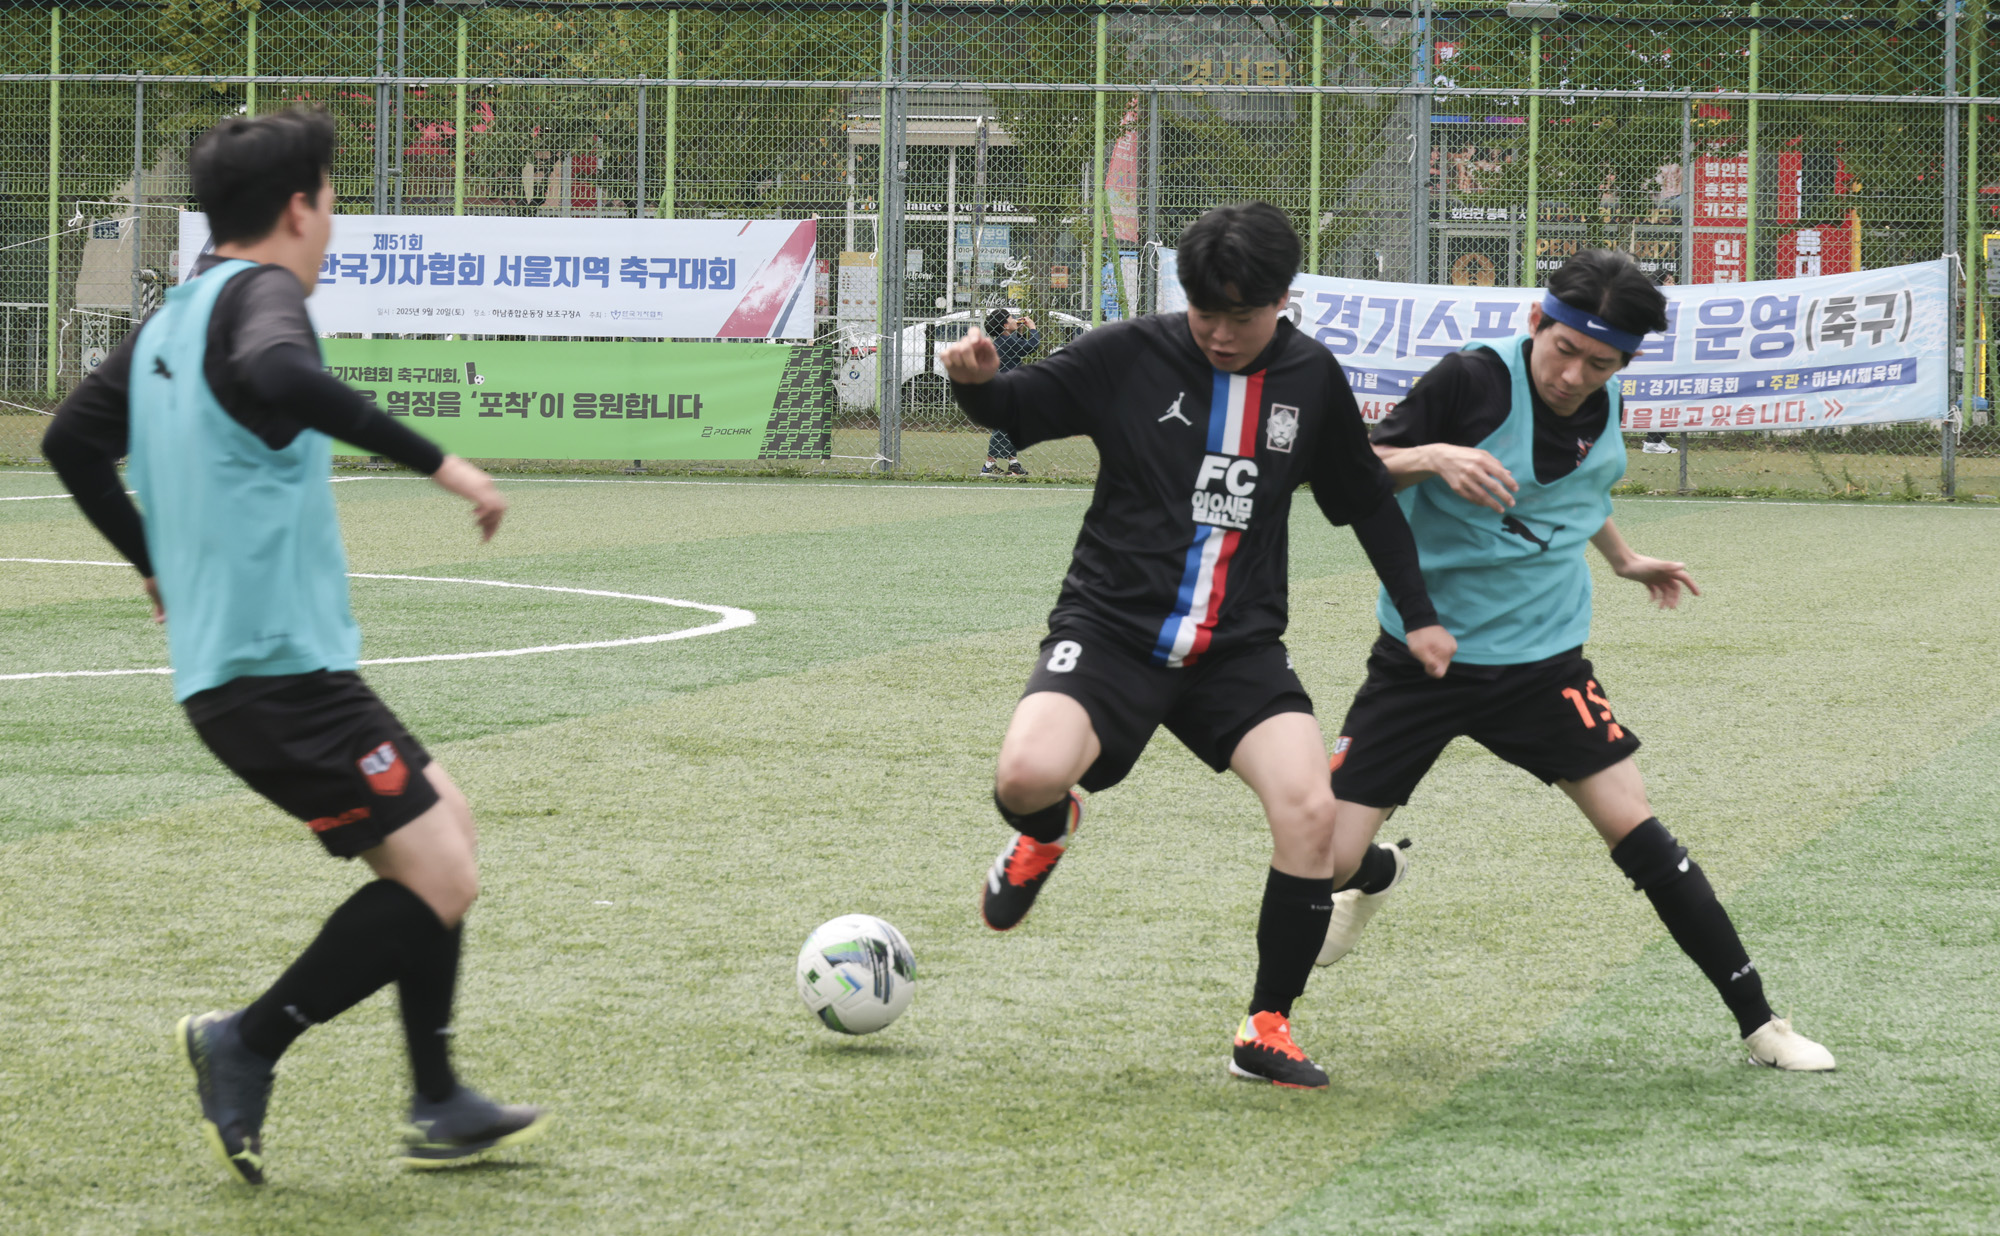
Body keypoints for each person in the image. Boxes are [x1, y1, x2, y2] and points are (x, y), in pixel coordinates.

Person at [40, 109, 548, 1185]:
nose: (333, 226)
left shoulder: (174, 317)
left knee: (443, 828)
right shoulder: (266, 300)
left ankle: (435, 1098)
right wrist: (442, 463)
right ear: (296, 207)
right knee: (442, 872)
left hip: (267, 672)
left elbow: (70, 440)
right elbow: (278, 375)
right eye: (331, 200)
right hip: (274, 679)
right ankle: (248, 1041)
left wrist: (151, 561)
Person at [940, 202, 1457, 1089]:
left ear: (1283, 301)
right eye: (1204, 313)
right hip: (1110, 631)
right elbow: (1021, 404)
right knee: (1025, 776)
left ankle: (1266, 1027)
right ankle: (1051, 827)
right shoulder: (1129, 353)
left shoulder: (1311, 378)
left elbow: (1366, 496)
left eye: (1242, 317)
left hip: (1239, 651)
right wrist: (977, 383)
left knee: (1310, 814)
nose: (1219, 334)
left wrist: (1419, 613)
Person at [1315, 248, 1834, 1072]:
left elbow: (1574, 493)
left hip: (1545, 664)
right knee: (1326, 858)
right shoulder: (1471, 382)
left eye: (1600, 364)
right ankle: (1374, 874)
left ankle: (1763, 1025)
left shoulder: (1605, 400)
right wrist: (1434, 456)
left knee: (1641, 833)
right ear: (1536, 323)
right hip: (1425, 658)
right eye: (1563, 351)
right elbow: (1353, 470)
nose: (1573, 375)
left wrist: (1624, 558)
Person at [979, 308, 1040, 477]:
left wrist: (1019, 331)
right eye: (1011, 318)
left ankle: (1013, 463)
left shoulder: (1003, 341)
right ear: (1005, 325)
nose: (1015, 319)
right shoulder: (1006, 343)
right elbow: (1031, 346)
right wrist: (1032, 328)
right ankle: (989, 465)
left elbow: (1018, 347)